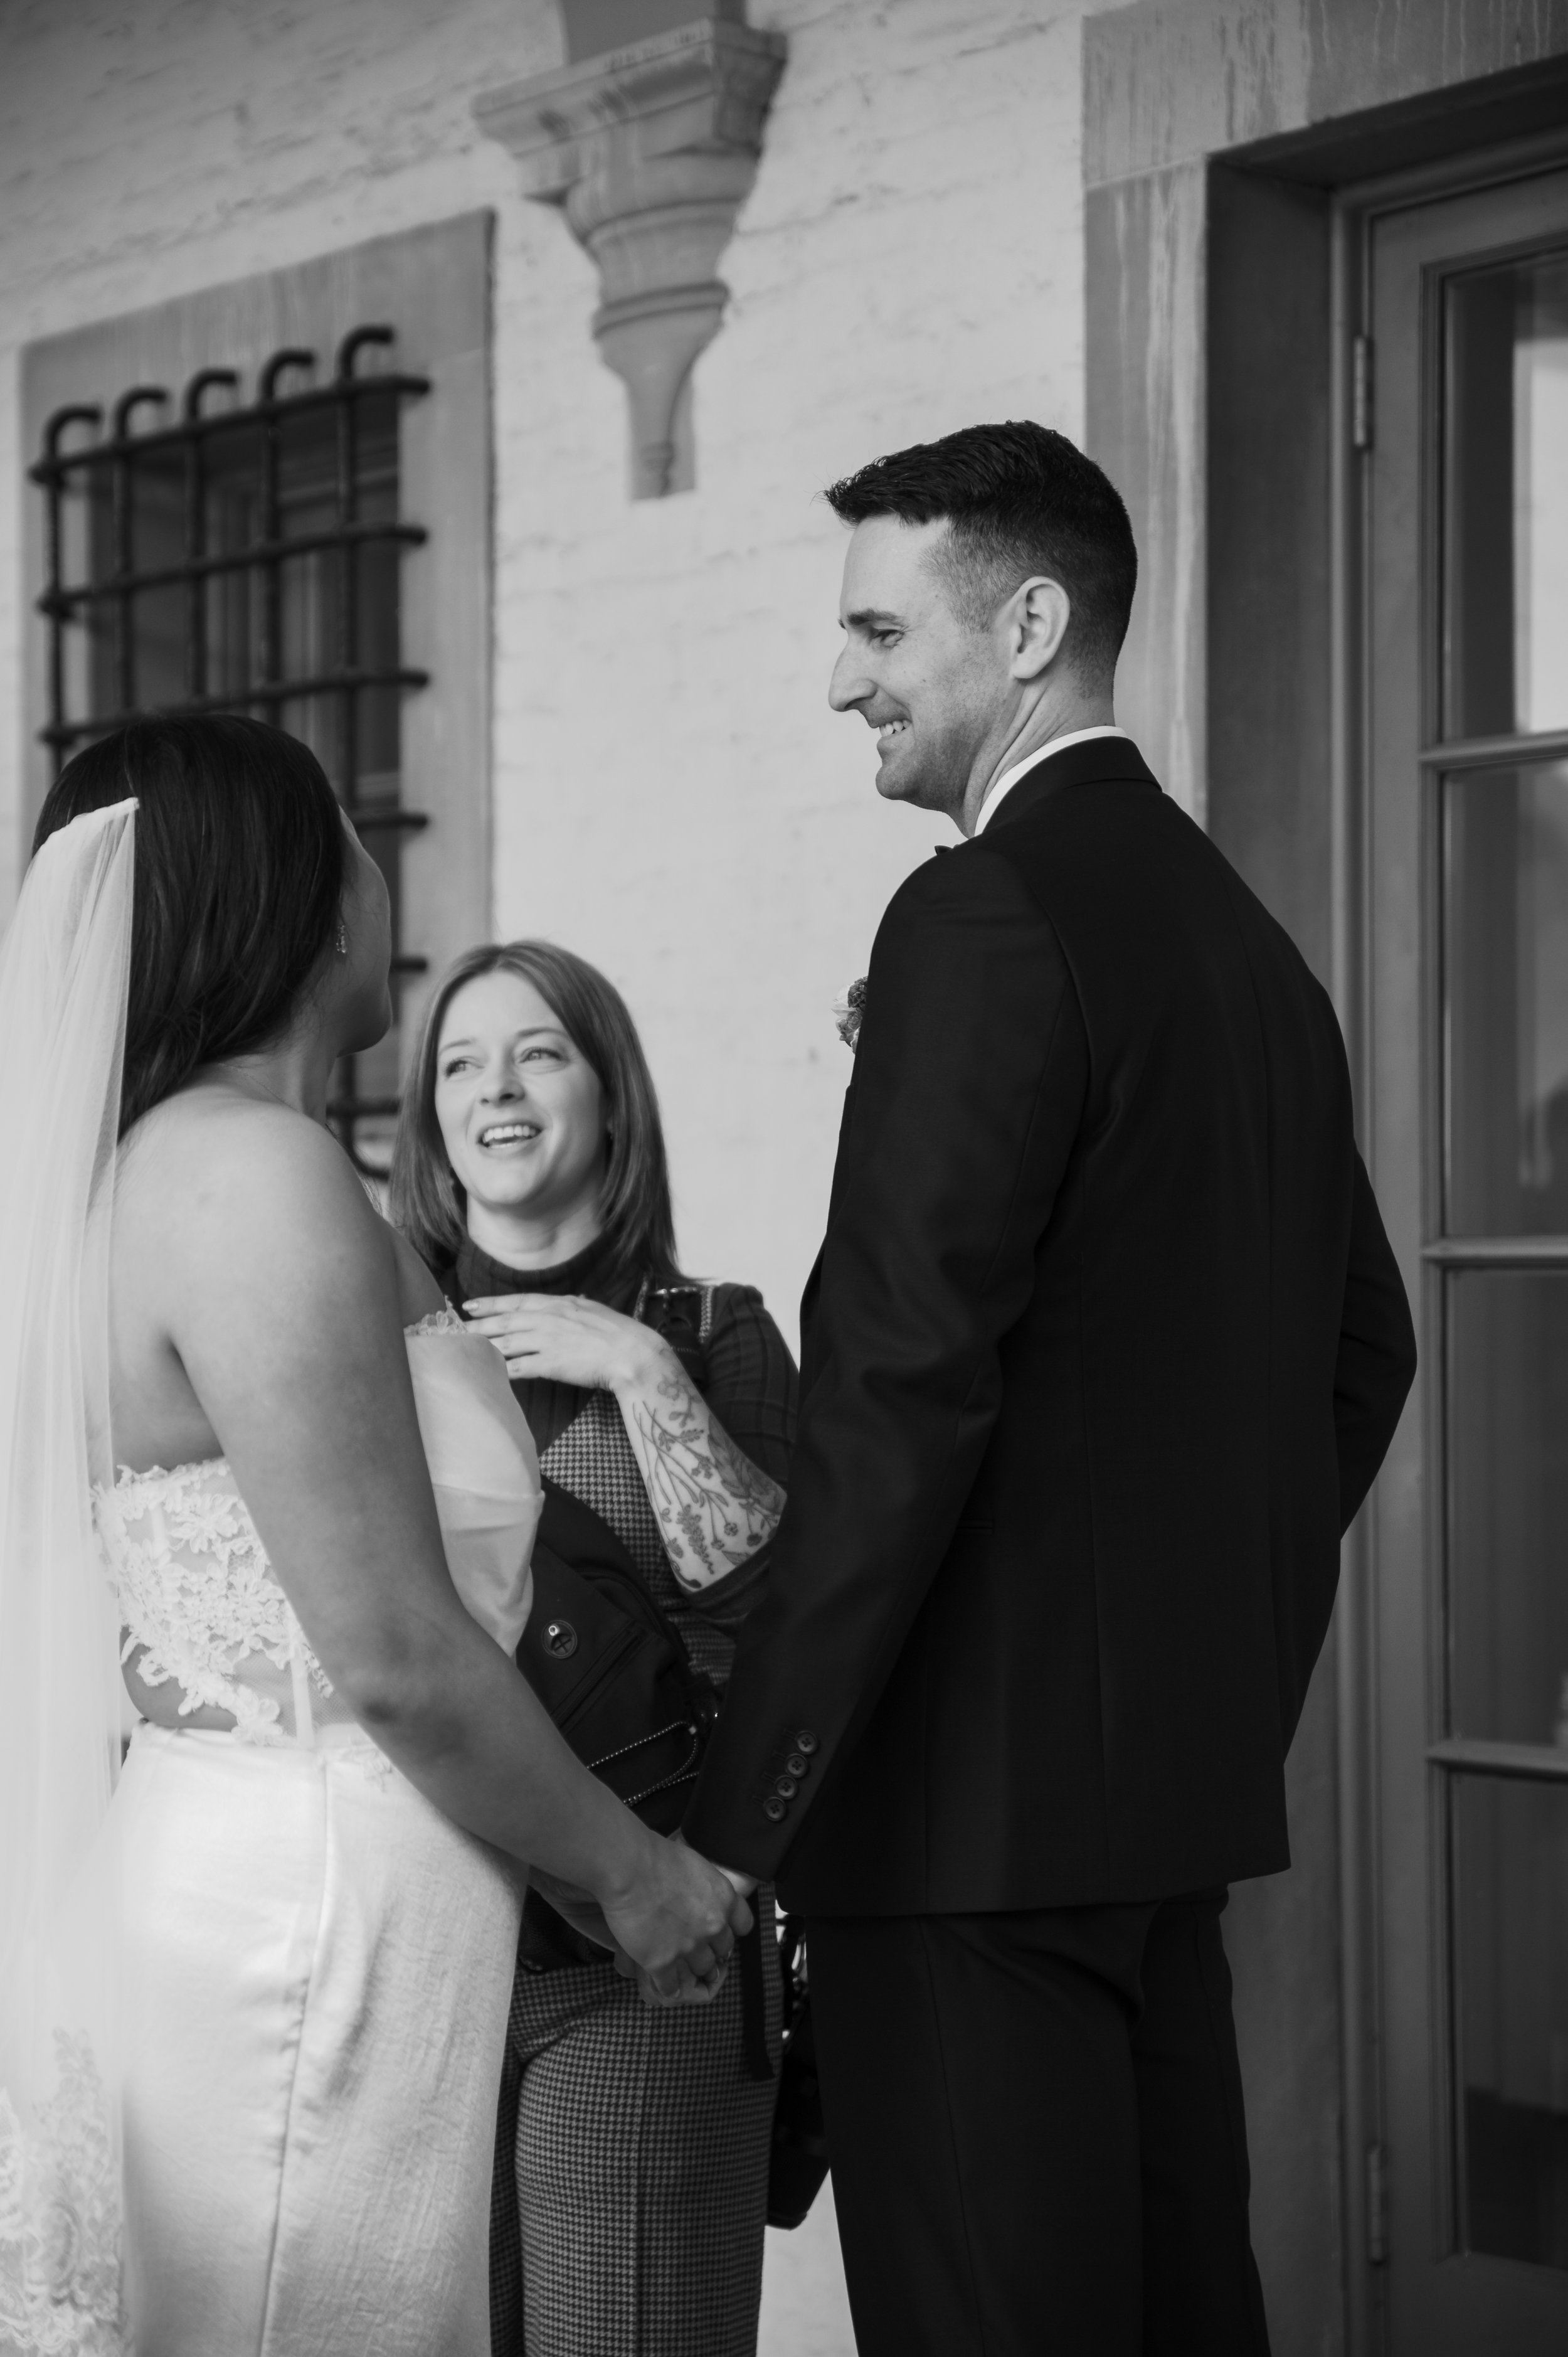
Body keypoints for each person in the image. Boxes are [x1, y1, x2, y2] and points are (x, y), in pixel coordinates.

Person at [681, 422, 1419, 2354]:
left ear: (1023, 624)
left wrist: (750, 1797)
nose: (840, 676)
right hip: (1162, 1801)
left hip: (956, 1837)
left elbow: (897, 1387)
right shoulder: (1250, 947)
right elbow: (1364, 1351)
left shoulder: (980, 910)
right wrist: (1178, 1631)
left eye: (872, 627)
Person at [0, 716, 748, 2357]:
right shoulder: (249, 1179)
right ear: (284, 891)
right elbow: (399, 1654)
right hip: (309, 1906)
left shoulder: (185, 1177)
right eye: (342, 824)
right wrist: (636, 1874)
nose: (372, 860)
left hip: (326, 1874)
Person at [389, 940, 798, 2357]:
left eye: (538, 1052)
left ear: (610, 1101)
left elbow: (774, 1617)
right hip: (407, 1944)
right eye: (457, 1061)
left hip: (646, 1957)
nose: (494, 1088)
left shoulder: (714, 1333)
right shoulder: (368, 1340)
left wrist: (637, 1370)